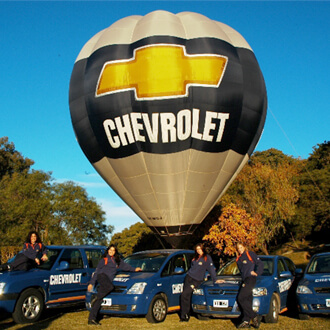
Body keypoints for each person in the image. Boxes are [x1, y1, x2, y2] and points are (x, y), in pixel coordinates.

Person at [87, 244, 141, 325]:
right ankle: (96, 297)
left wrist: (134, 269)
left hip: (108, 280)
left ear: (115, 252)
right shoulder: (104, 260)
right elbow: (96, 272)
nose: (111, 252)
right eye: (110, 250)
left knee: (99, 299)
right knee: (110, 287)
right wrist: (91, 283)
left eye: (113, 250)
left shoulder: (117, 260)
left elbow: (125, 266)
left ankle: (92, 319)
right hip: (102, 277)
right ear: (108, 251)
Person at [179, 243, 222, 322]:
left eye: (200, 249)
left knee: (184, 294)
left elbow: (211, 269)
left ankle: (185, 314)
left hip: (196, 280)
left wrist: (215, 279)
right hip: (189, 277)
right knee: (186, 296)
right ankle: (185, 315)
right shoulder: (195, 257)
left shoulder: (206, 258)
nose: (198, 251)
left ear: (203, 249)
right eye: (197, 249)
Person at [236, 242, 264, 329]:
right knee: (247, 300)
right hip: (244, 279)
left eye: (241, 247)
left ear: (244, 247)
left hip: (250, 279)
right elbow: (241, 270)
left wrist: (256, 272)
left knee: (240, 298)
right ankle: (246, 321)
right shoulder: (238, 259)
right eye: (238, 248)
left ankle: (254, 316)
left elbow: (260, 264)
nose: (240, 249)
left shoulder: (250, 254)